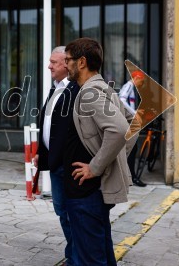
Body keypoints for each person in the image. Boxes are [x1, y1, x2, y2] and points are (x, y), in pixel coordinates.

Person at [64, 38, 138, 265]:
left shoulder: (90, 92)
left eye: (68, 60)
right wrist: (114, 158)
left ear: (82, 62)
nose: (66, 65)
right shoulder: (103, 88)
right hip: (91, 191)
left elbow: (121, 129)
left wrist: (96, 166)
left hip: (87, 192)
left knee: (90, 259)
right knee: (101, 256)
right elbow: (133, 124)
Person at [34, 46, 79, 266]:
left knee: (72, 214)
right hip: (55, 163)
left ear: (67, 63)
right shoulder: (56, 88)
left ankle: (76, 257)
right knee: (62, 211)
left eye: (54, 62)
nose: (49, 66)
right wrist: (41, 154)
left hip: (69, 165)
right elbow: (49, 126)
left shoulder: (76, 89)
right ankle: (74, 255)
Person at [119, 70, 147, 187]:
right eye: (142, 81)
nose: (142, 84)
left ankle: (130, 176)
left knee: (132, 149)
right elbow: (121, 99)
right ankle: (131, 177)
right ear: (137, 78)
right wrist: (134, 113)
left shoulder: (130, 87)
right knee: (131, 149)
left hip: (128, 122)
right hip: (128, 122)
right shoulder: (129, 86)